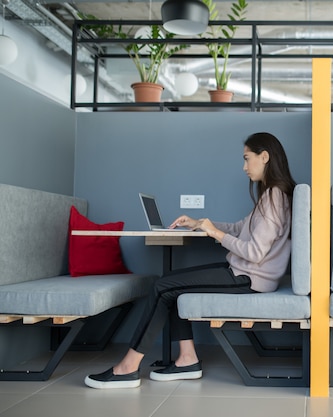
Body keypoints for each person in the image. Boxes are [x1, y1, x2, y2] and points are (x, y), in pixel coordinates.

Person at [85, 132, 297, 389]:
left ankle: (128, 368)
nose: (243, 167)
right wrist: (200, 224)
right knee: (171, 285)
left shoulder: (274, 196)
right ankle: (187, 360)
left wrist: (215, 233)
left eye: (246, 158)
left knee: (163, 285)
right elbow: (240, 227)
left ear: (265, 156)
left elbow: (254, 252)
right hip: (245, 273)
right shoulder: (271, 195)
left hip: (250, 278)